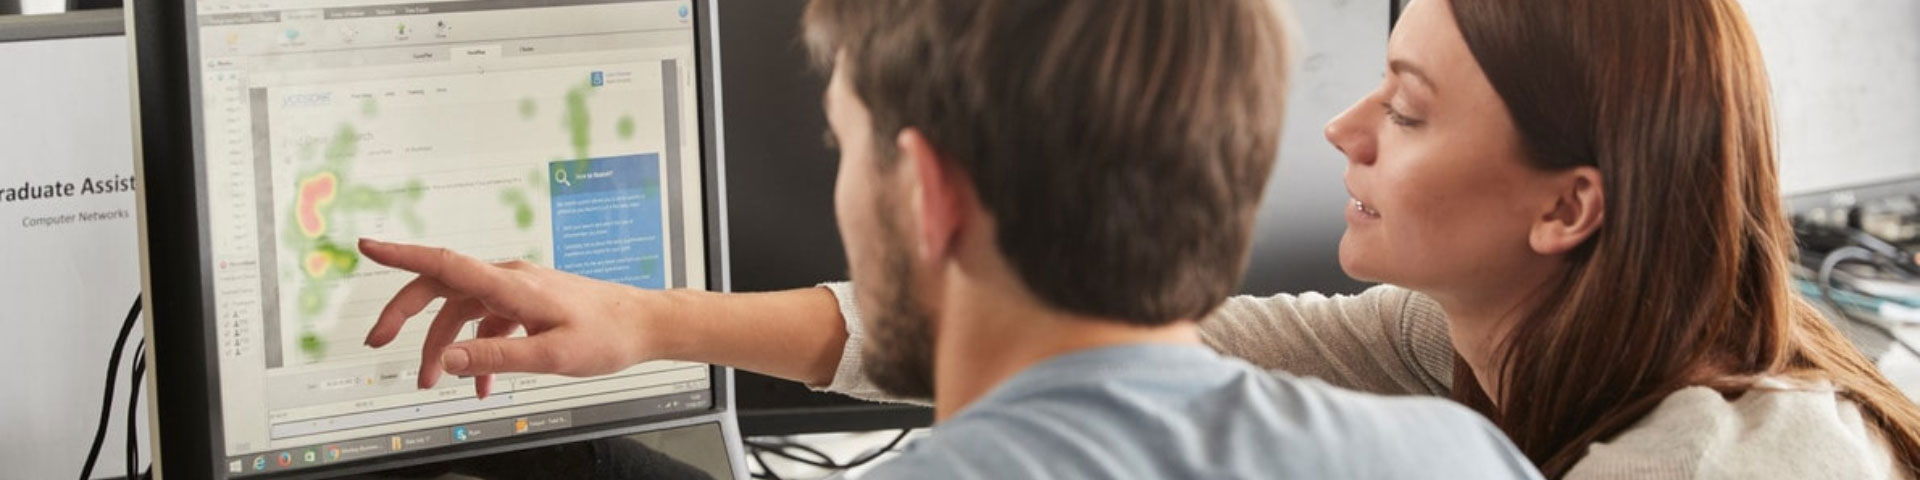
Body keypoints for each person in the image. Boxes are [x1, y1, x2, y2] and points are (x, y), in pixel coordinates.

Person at [368, 0, 1920, 478]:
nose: (1344, 136)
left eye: (1405, 106)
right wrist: (645, 323)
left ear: (1568, 203)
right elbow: (1167, 353)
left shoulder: (1749, 457)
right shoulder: (1468, 418)